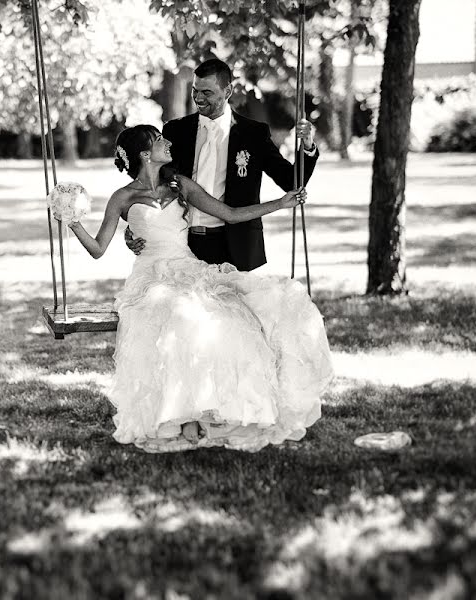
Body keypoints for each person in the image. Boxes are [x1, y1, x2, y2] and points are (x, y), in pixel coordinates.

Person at [55, 125, 333, 453]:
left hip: (188, 269)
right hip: (151, 278)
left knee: (227, 318)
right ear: (145, 154)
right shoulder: (123, 198)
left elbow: (228, 213)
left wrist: (281, 203)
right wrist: (73, 223)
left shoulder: (180, 185)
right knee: (174, 315)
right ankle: (180, 415)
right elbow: (99, 249)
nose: (168, 143)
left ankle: (217, 410)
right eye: (160, 140)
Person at [125, 58, 319, 271]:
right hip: (183, 245)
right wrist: (136, 228)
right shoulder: (175, 131)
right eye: (195, 90)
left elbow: (291, 181)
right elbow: (151, 184)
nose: (198, 98)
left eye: (206, 92)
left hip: (236, 247)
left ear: (228, 91)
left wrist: (307, 145)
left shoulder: (253, 134)